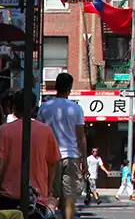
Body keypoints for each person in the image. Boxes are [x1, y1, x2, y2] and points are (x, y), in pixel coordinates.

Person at [0, 91, 58, 212]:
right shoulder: (46, 131)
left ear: (14, 106)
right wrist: (48, 188)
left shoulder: (4, 130)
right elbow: (52, 163)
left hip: (9, 194)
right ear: (33, 107)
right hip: (38, 196)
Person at [36, 73, 86, 219]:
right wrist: (84, 160)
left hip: (50, 157)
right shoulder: (76, 109)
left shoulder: (45, 108)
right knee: (69, 198)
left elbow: (39, 132)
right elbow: (81, 136)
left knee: (52, 195)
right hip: (71, 156)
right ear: (70, 88)